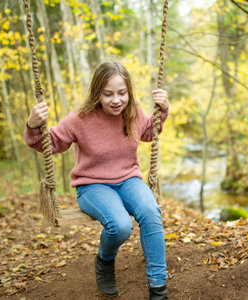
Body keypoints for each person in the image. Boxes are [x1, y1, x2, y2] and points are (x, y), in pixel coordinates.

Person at [24, 61, 169, 299]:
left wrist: (162, 110)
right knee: (121, 226)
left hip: (128, 179)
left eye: (122, 93)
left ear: (129, 92)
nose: (116, 100)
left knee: (151, 211)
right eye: (108, 94)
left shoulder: (133, 110)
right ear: (97, 93)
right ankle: (104, 260)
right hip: (92, 185)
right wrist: (33, 124)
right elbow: (48, 144)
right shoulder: (80, 118)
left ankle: (158, 289)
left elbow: (146, 133)